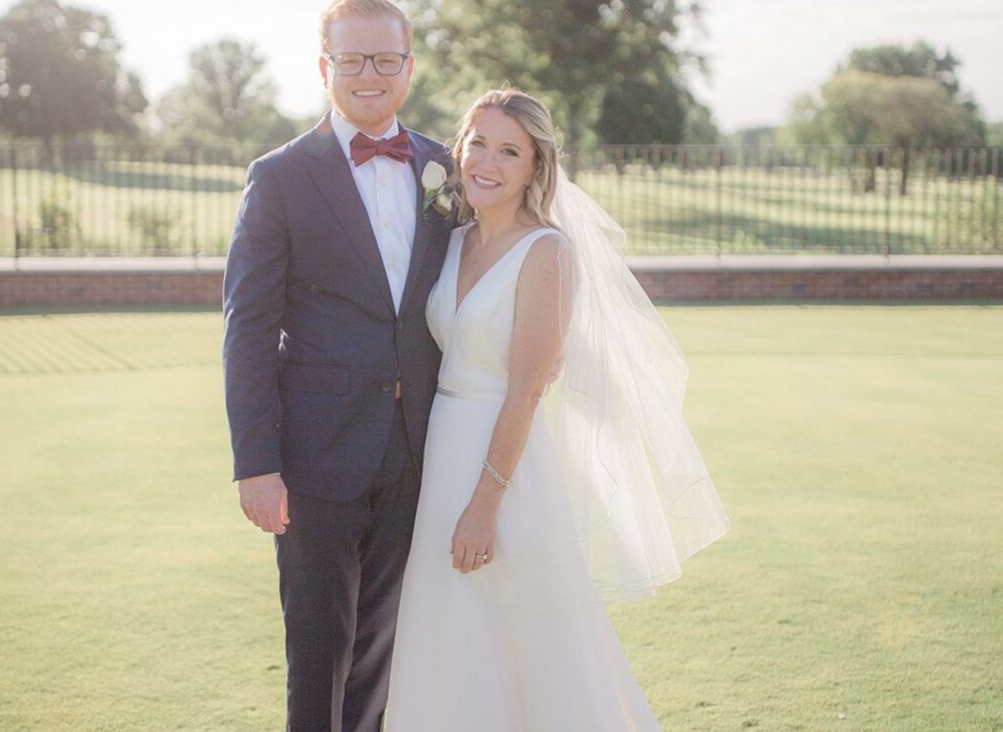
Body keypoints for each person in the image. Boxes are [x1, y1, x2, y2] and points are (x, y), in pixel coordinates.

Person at [384, 89, 731, 730]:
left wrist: (485, 505)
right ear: (458, 149)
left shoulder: (547, 252)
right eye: (478, 143)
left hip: (505, 470)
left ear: (535, 167)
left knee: (534, 642)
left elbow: (528, 388)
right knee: (450, 628)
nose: (487, 161)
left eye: (509, 150)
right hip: (442, 454)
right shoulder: (452, 242)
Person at [221, 1, 455, 729]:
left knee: (383, 651)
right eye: (350, 59)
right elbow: (248, 328)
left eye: (386, 59)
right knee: (319, 650)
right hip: (314, 457)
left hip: (417, 449)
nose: (368, 75)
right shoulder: (281, 175)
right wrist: (255, 462)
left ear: (409, 68)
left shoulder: (443, 167)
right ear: (325, 68)